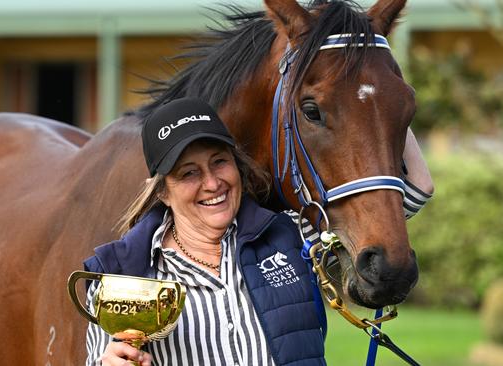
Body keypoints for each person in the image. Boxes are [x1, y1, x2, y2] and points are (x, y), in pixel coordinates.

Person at [81, 97, 433, 366]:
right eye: (188, 173)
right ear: (163, 192)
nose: (212, 183)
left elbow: (416, 188)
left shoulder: (291, 233)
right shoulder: (120, 275)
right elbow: (102, 356)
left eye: (219, 161)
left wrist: (374, 97)